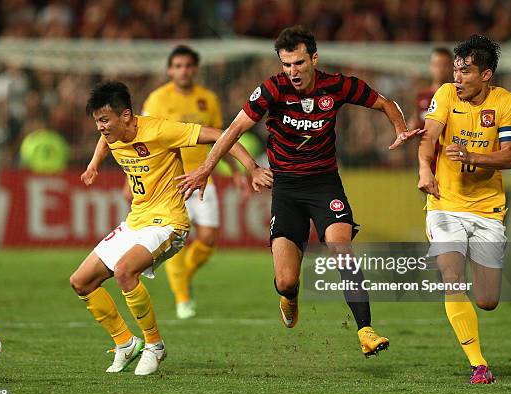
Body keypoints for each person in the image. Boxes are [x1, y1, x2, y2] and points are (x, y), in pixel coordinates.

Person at [177, 26, 423, 357]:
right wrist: (212, 169)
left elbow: (384, 102)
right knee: (287, 280)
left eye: (298, 63)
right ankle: (289, 297)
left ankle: (366, 330)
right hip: (287, 189)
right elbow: (234, 129)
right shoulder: (271, 90)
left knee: (341, 248)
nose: (292, 71)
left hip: (324, 185)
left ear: (314, 58)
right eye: (286, 64)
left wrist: (401, 129)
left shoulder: (337, 86)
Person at [69, 81, 264, 375]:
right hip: (136, 220)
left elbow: (221, 136)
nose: (100, 128)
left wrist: (252, 168)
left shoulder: (161, 130)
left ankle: (154, 345)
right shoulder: (113, 133)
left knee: (124, 270)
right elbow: (105, 141)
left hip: (169, 222)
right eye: (97, 121)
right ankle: (125, 343)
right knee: (81, 281)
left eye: (105, 120)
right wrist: (94, 164)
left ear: (126, 116)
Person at [417, 34, 511, 384]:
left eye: (465, 71)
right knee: (452, 278)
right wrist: (424, 169)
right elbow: (429, 137)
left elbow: (508, 156)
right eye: (456, 70)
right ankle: (478, 364)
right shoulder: (445, 94)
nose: (457, 77)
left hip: (488, 209)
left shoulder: (506, 102)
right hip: (445, 203)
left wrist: (471, 156)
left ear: (486, 75)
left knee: (488, 300)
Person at [139, 45, 245, 319]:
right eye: (178, 66)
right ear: (169, 70)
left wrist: (233, 170)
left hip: (203, 178)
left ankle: (182, 276)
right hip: (170, 180)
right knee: (175, 236)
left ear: (195, 69)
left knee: (208, 239)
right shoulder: (157, 99)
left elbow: (222, 138)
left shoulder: (207, 99)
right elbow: (142, 140)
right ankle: (183, 298)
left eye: (188, 65)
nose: (183, 70)